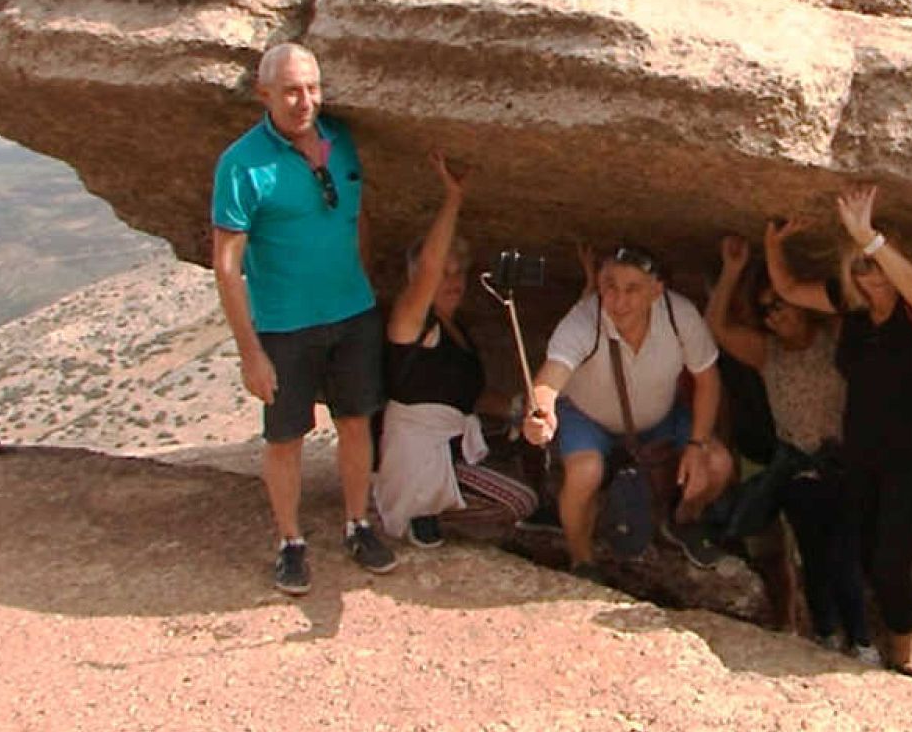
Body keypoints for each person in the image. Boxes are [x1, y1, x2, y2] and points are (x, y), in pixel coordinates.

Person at [211, 43, 396, 596]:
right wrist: (250, 352)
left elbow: (358, 219)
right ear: (263, 92)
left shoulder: (341, 141)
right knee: (287, 435)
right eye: (291, 90)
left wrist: (362, 282)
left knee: (357, 420)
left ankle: (357, 524)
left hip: (352, 312)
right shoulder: (242, 164)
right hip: (285, 324)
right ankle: (291, 543)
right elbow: (226, 265)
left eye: (312, 88)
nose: (304, 101)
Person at [764, 185, 912, 678]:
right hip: (866, 457)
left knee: (890, 562)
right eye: (857, 267)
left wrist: (867, 237)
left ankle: (904, 661)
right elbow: (787, 290)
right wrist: (772, 245)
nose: (866, 276)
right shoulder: (852, 314)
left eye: (872, 265)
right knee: (871, 560)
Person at [706, 234, 877, 664]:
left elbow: (849, 303)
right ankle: (824, 633)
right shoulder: (769, 354)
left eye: (779, 303)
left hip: (843, 467)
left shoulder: (834, 340)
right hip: (798, 471)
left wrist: (782, 258)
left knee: (845, 558)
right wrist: (730, 272)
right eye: (766, 310)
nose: (773, 315)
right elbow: (718, 328)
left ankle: (861, 640)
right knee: (813, 558)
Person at [522, 245, 734, 577]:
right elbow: (552, 376)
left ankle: (684, 520)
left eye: (632, 289)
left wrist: (697, 444)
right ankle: (582, 560)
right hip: (589, 416)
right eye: (610, 286)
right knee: (584, 472)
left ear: (656, 291)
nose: (618, 301)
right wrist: (541, 411)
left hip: (660, 417)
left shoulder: (679, 317)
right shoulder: (584, 319)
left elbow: (708, 379)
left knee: (717, 463)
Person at [373, 151, 538, 547]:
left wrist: (520, 409)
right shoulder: (412, 320)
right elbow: (429, 267)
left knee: (527, 450)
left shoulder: (457, 329)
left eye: (458, 272)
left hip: (454, 440)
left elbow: (469, 395)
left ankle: (447, 506)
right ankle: (428, 511)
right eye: (443, 274)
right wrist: (453, 199)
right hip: (421, 451)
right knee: (519, 500)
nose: (452, 280)